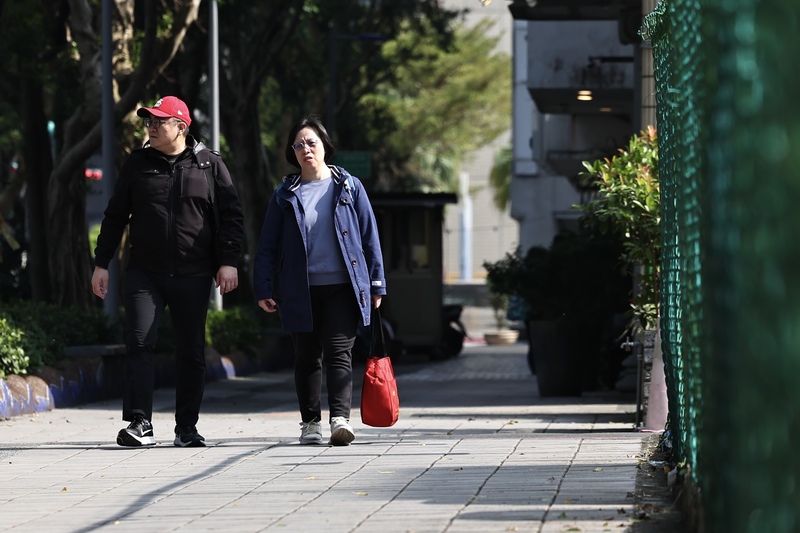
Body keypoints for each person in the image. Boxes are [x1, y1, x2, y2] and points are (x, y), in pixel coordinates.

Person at [91, 96, 244, 448]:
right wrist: (102, 263)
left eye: (160, 121)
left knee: (190, 351)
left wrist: (228, 260)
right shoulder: (138, 164)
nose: (152, 127)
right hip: (145, 272)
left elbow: (232, 217)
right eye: (149, 122)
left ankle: (186, 428)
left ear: (181, 127)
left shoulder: (209, 165)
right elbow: (115, 216)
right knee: (140, 343)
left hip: (194, 273)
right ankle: (139, 423)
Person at [253, 115, 386, 446]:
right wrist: (263, 287)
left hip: (343, 286)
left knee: (339, 352)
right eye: (298, 145)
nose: (305, 149)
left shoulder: (349, 187)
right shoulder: (285, 194)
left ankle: (340, 418)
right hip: (299, 287)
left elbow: (369, 236)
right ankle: (310, 423)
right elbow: (267, 244)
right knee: (306, 356)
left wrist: (376, 283)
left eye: (311, 142)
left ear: (325, 146)